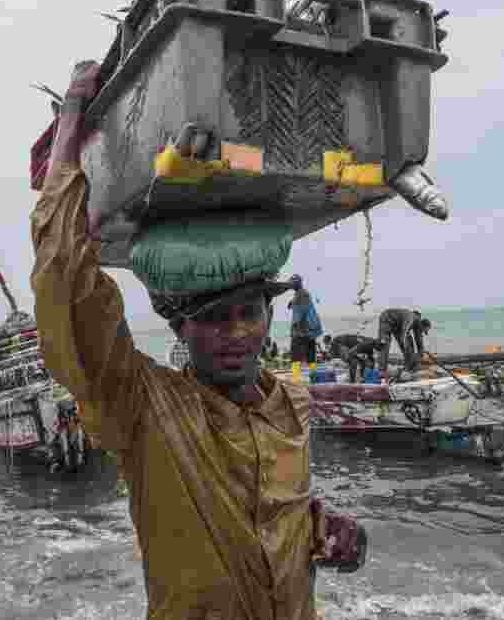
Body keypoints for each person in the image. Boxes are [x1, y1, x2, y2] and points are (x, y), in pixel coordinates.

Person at [30, 61, 366, 619]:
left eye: (249, 312)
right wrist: (70, 119)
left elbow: (278, 527)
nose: (237, 333)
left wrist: (329, 533)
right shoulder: (142, 409)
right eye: (213, 318)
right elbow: (66, 279)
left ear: (270, 313)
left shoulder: (293, 405)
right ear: (180, 327)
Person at [376, 308, 431, 378]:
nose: (422, 332)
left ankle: (410, 367)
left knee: (409, 343)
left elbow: (419, 339)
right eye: (423, 330)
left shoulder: (417, 325)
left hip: (398, 325)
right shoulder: (410, 317)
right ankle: (381, 370)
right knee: (384, 344)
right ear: (422, 325)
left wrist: (421, 352)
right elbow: (404, 333)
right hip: (387, 319)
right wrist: (405, 346)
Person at [287, 275, 323, 365]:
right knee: (310, 355)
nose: (291, 285)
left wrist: (296, 325)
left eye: (292, 283)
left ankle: (296, 374)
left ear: (298, 283)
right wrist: (292, 303)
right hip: (309, 330)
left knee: (295, 356)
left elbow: (302, 311)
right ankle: (313, 372)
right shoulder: (302, 293)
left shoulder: (301, 294)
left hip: (301, 330)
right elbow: (302, 306)